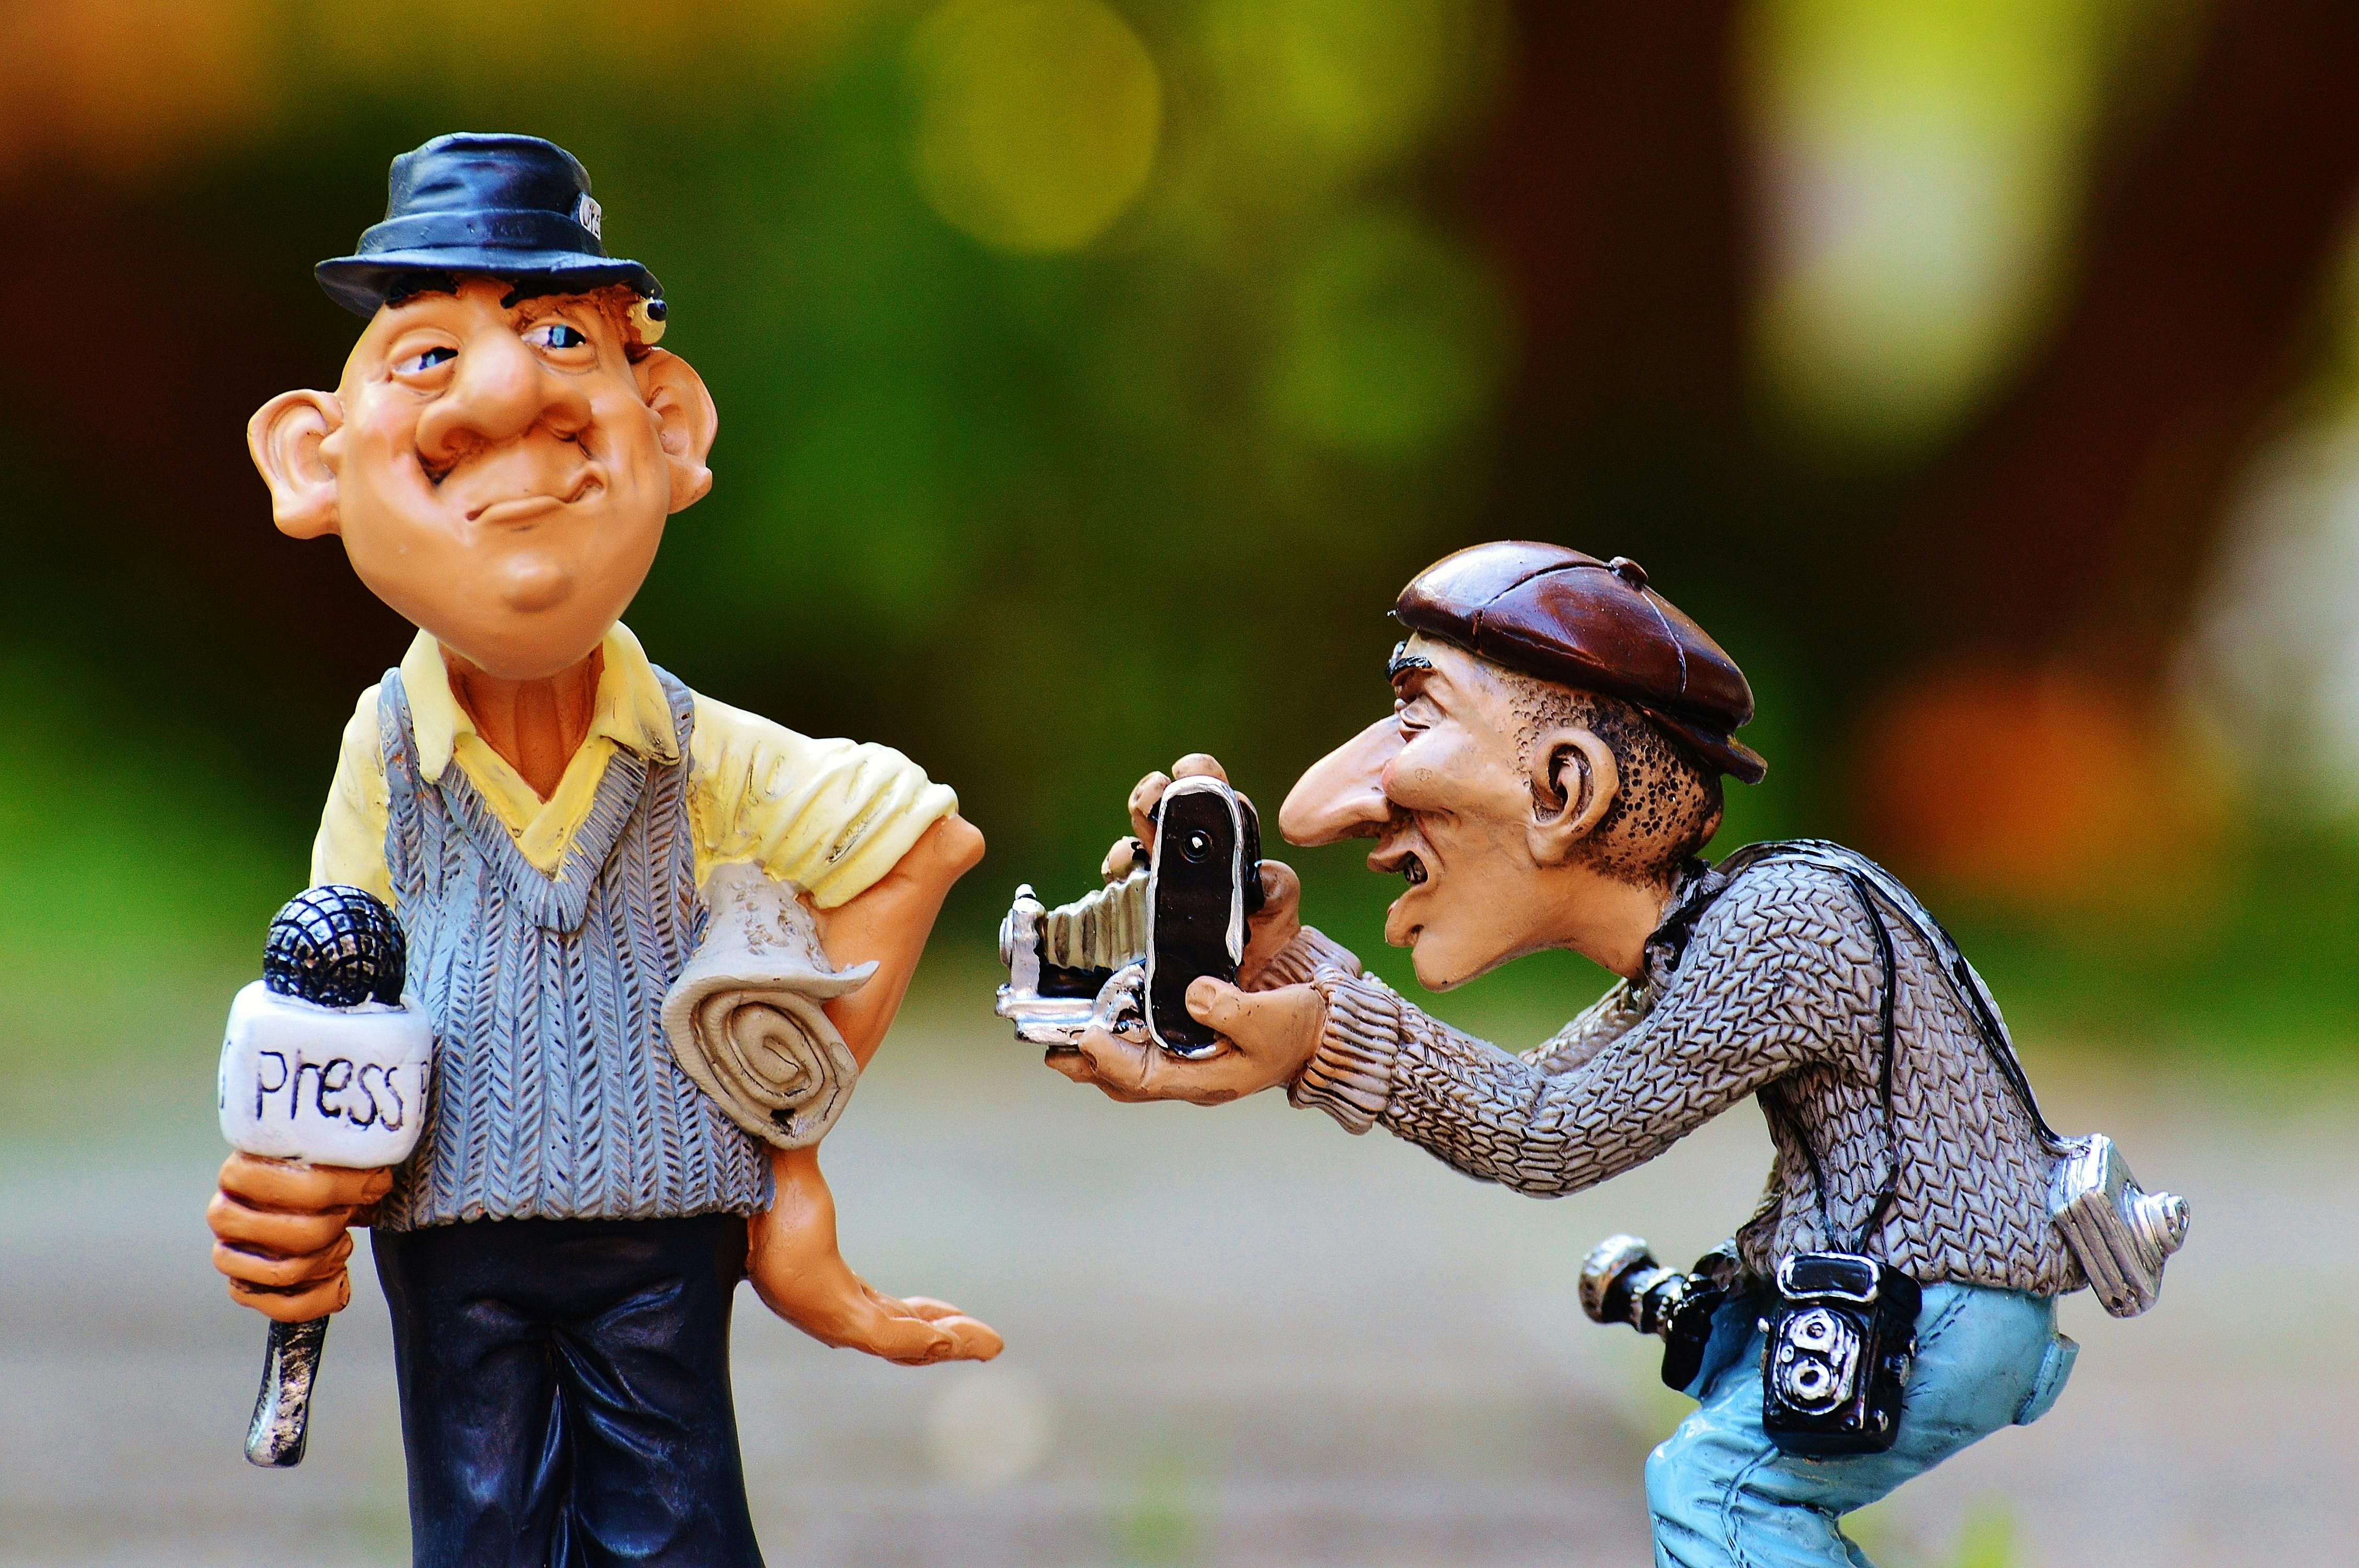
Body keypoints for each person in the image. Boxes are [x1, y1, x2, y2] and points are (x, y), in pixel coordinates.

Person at [205, 132, 998, 1566]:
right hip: (444, 1224)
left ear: (670, 426)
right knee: (483, 1525)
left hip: (664, 1230)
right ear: (314, 462)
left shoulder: (704, 758)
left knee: (676, 1524)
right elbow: (330, 981)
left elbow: (916, 841)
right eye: (431, 356)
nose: (510, 390)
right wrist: (287, 1183)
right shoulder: (387, 749)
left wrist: (787, 1150)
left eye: (563, 336)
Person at [1049, 540, 2087, 1568]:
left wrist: (1318, 1035)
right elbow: (1540, 1089)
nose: (1330, 807)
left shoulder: (1783, 932)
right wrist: (1280, 972)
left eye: (1416, 722)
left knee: (1715, 1495)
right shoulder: (1716, 937)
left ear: (1563, 788)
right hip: (1897, 1291)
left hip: (1943, 1299)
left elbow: (1550, 1137)